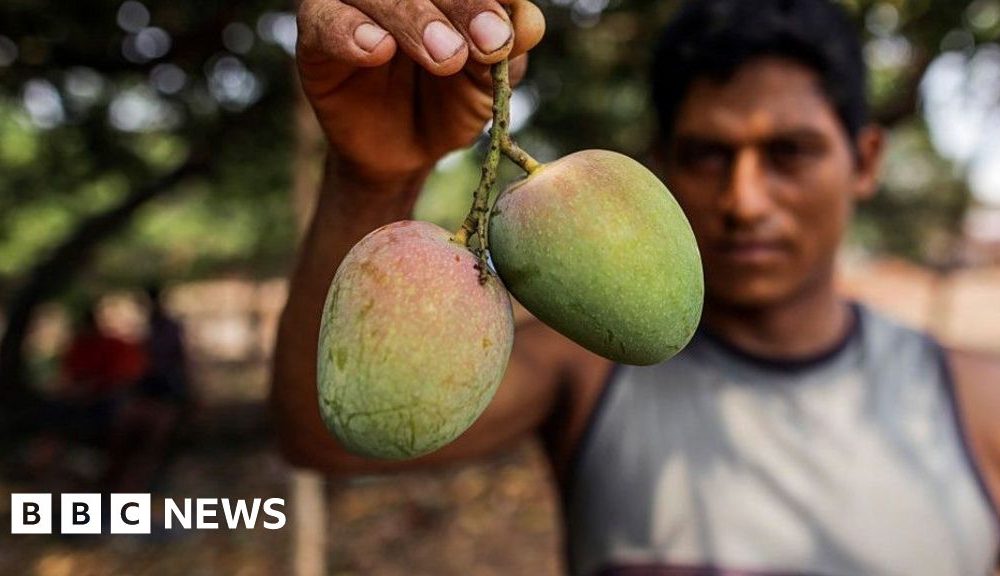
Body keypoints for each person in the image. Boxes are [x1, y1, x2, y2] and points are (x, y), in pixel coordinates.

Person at [272, 0, 1000, 574]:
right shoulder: (585, 369)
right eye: (707, 154)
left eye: (790, 152)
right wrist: (376, 177)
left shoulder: (978, 401)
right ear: (661, 167)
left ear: (864, 161)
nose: (745, 200)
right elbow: (333, 434)